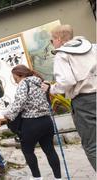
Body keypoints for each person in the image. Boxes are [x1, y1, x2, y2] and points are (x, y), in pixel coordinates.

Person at [41, 24, 96, 170]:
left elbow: (66, 81)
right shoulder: (93, 47)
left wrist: (51, 88)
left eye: (52, 40)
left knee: (92, 145)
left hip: (84, 101)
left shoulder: (62, 55)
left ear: (58, 39)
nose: (52, 43)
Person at [4, 65, 61, 180]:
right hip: (46, 121)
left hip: (31, 123)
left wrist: (8, 115)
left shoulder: (24, 83)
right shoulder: (41, 82)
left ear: (19, 75)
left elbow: (19, 103)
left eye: (15, 77)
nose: (15, 80)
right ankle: (58, 177)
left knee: (28, 151)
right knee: (50, 150)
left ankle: (37, 177)